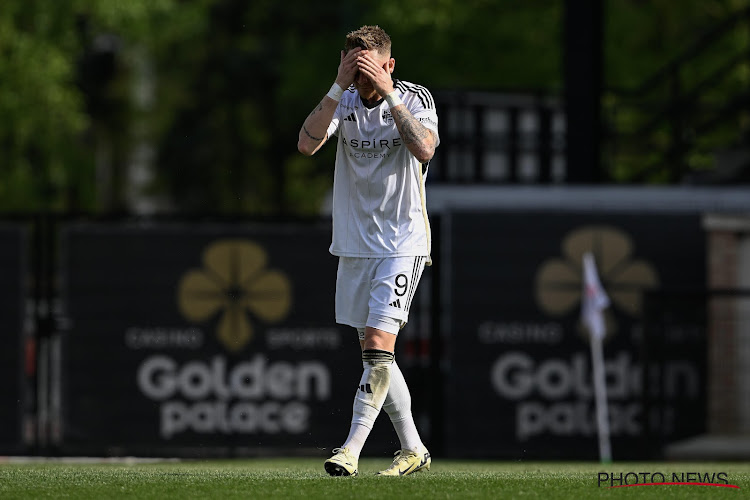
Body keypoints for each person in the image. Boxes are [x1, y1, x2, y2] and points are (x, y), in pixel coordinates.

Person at [297, 25, 439, 477]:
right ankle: (414, 448)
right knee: (375, 356)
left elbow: (425, 149)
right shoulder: (344, 99)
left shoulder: (415, 97)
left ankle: (350, 450)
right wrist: (339, 85)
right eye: (353, 69)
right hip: (356, 245)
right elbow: (306, 143)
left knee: (379, 346)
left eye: (369, 69)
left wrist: (388, 95)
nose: (362, 80)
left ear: (389, 64)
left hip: (402, 241)